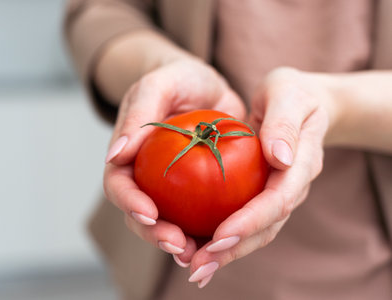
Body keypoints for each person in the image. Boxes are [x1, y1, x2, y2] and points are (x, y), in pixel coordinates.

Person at [64, 0, 392, 299]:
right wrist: (156, 68)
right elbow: (98, 12)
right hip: (173, 276)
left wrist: (337, 106)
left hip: (371, 274)